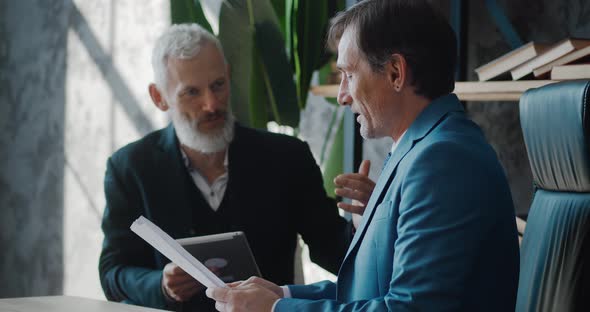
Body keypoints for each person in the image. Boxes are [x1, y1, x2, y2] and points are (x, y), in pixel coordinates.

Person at [205, 0, 520, 311]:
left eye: (349, 75)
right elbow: (371, 291)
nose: (342, 95)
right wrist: (283, 296)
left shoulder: (442, 161)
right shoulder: (423, 149)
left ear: (396, 72)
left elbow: (409, 309)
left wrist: (274, 310)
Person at [98, 23, 375, 311]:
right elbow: (112, 272)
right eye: (191, 92)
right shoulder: (130, 167)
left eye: (218, 85)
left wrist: (363, 224)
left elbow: (334, 250)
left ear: (229, 76)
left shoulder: (286, 157)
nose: (211, 104)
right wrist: (160, 284)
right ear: (159, 97)